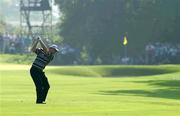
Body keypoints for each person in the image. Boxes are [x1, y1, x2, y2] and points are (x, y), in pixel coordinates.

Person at [30, 36, 59, 104]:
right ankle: (39, 101)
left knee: (46, 86)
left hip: (40, 71)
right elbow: (32, 49)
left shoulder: (51, 56)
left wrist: (40, 41)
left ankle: (42, 99)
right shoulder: (41, 51)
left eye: (55, 51)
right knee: (39, 86)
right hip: (34, 70)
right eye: (54, 50)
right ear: (50, 48)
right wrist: (37, 42)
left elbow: (46, 50)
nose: (55, 51)